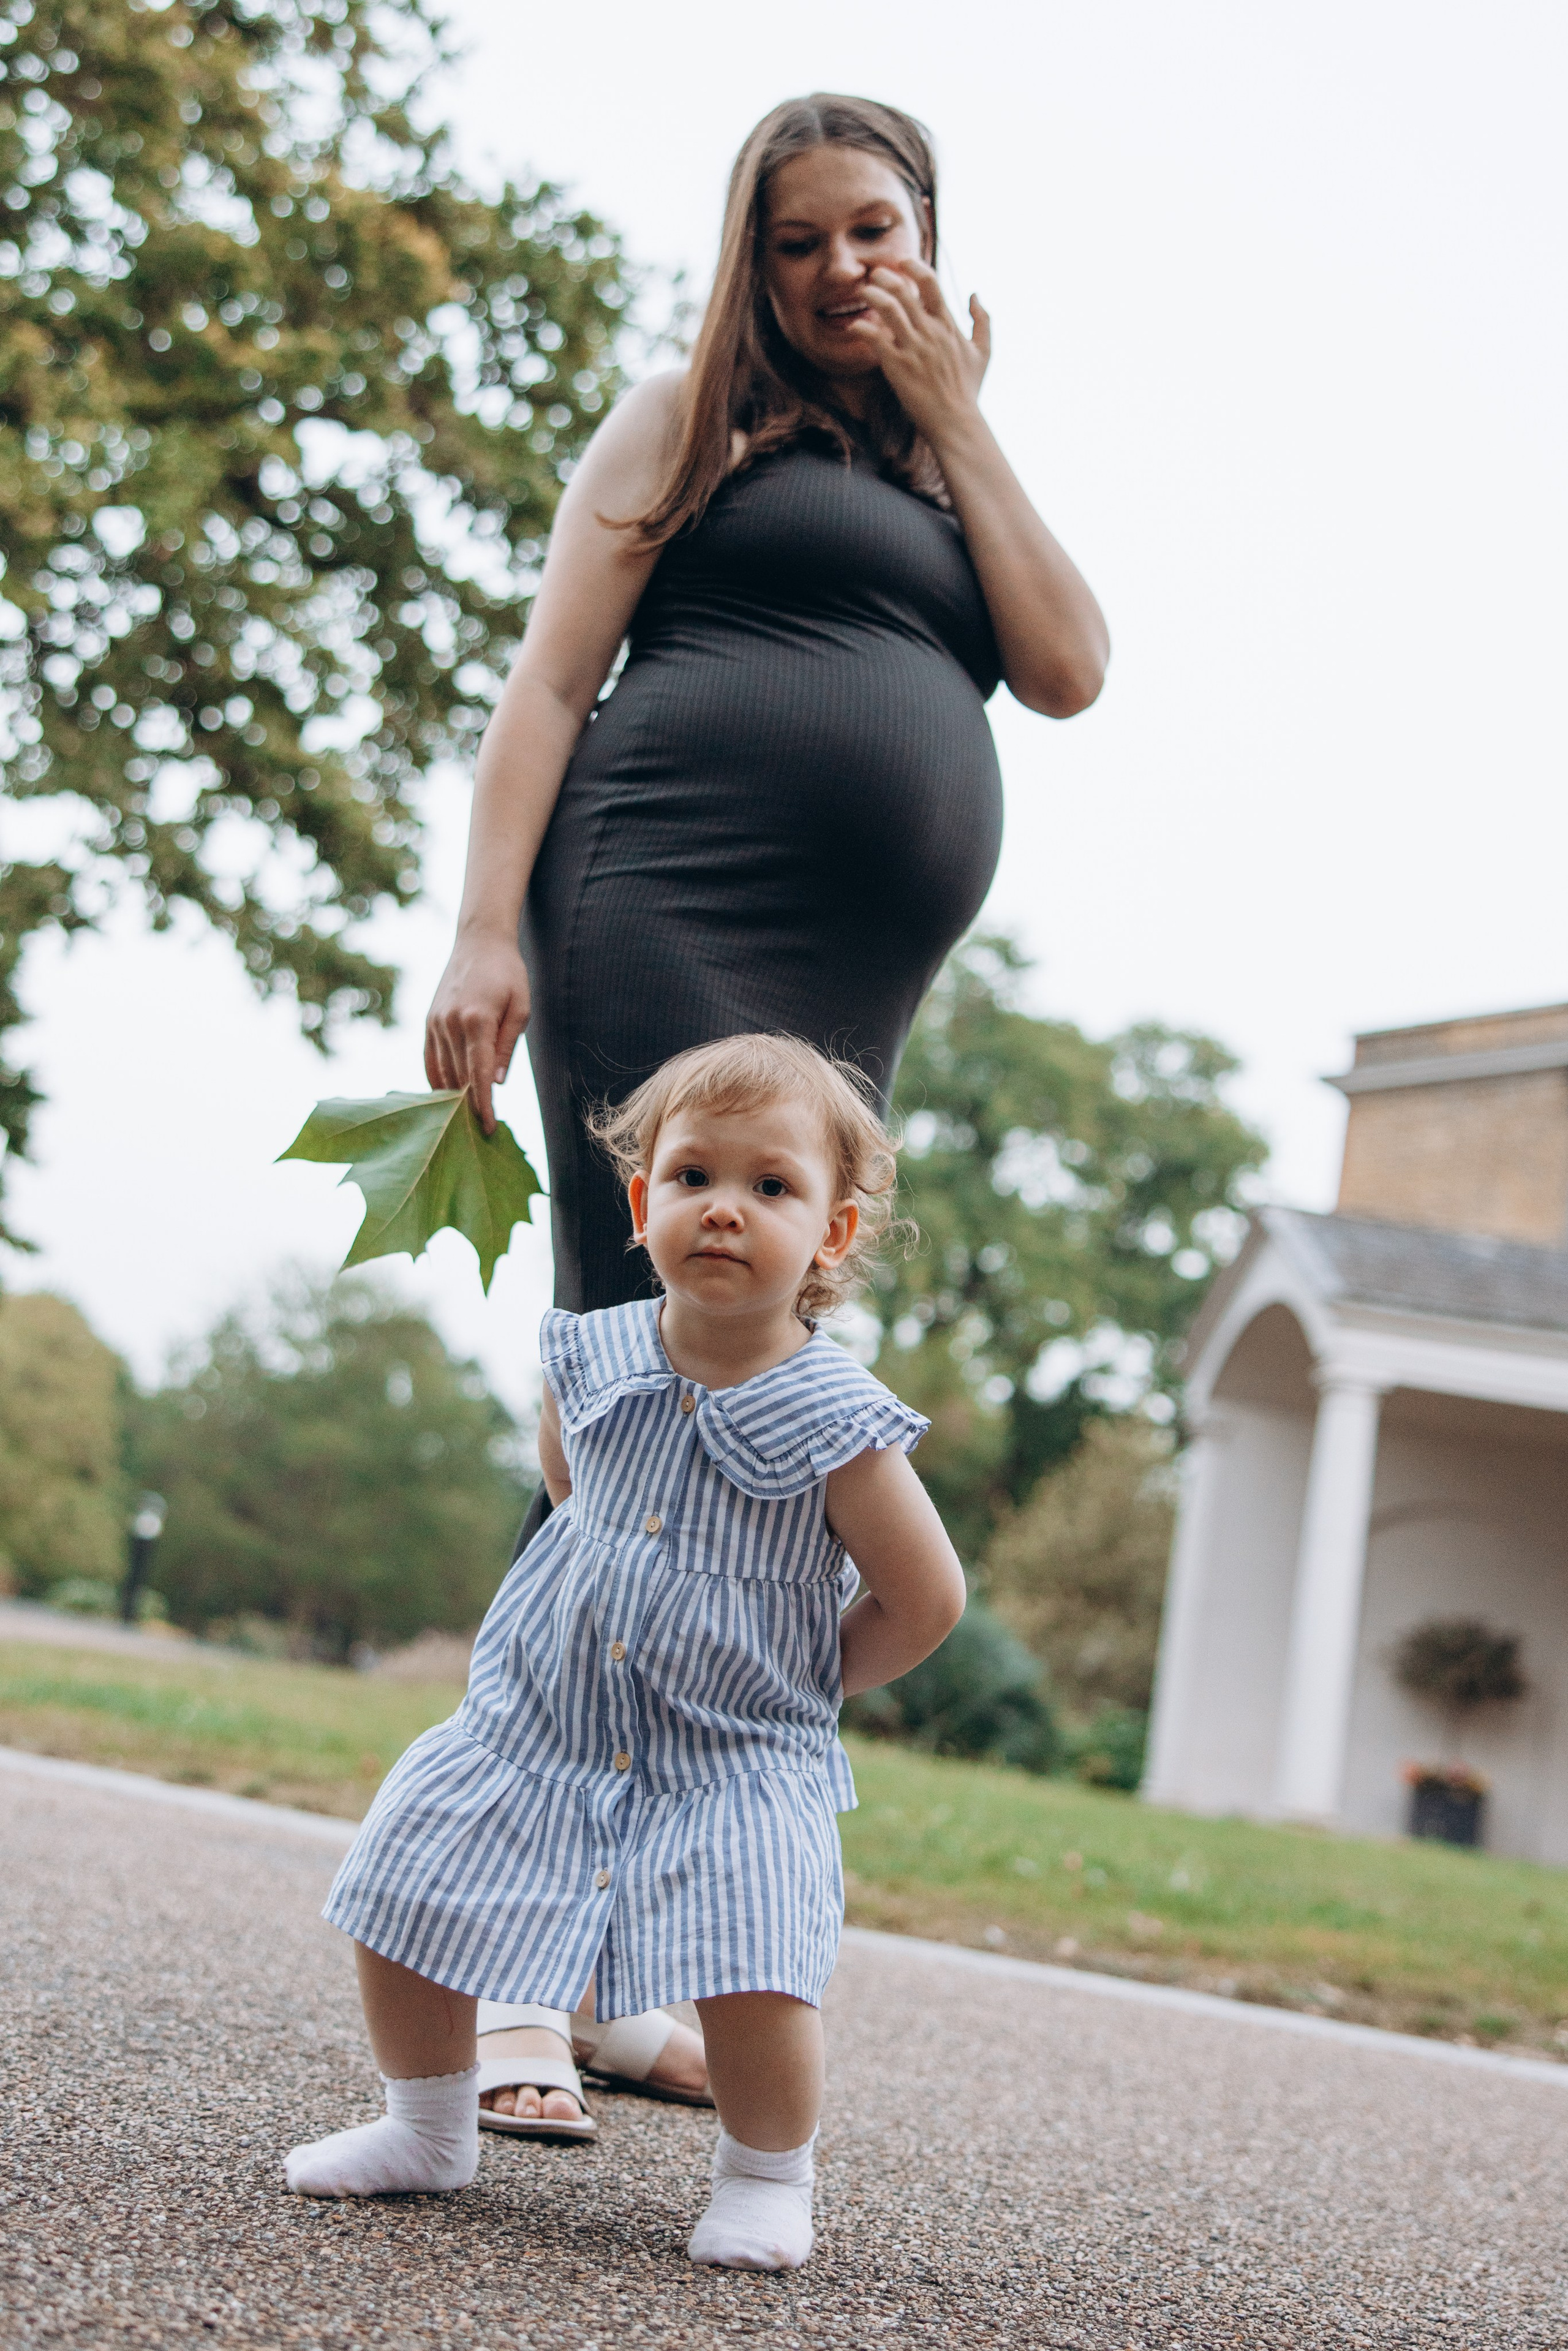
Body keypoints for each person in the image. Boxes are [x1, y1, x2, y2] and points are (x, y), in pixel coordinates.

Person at [422, 91, 1107, 2130]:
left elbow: (1065, 671)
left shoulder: (951, 463)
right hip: (656, 899)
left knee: (749, 1441)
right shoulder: (681, 416)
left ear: (926, 240)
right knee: (630, 1392)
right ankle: (515, 1976)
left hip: (846, 989)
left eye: (873, 233)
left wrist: (959, 411)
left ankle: (620, 1977)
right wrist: (483, 927)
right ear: (754, 252)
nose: (836, 272)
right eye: (800, 239)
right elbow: (551, 680)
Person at [285, 1036, 967, 2271]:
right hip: (535, 1723)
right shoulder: (586, 1355)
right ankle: (426, 2124)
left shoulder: (838, 1418)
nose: (725, 1205)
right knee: (403, 1888)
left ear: (831, 1231)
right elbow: (569, 1487)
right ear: (645, 1201)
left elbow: (922, 1596)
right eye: (696, 1173)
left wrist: (804, 1685)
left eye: (772, 1186)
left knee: (755, 1965)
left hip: (735, 1753)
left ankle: (767, 2172)